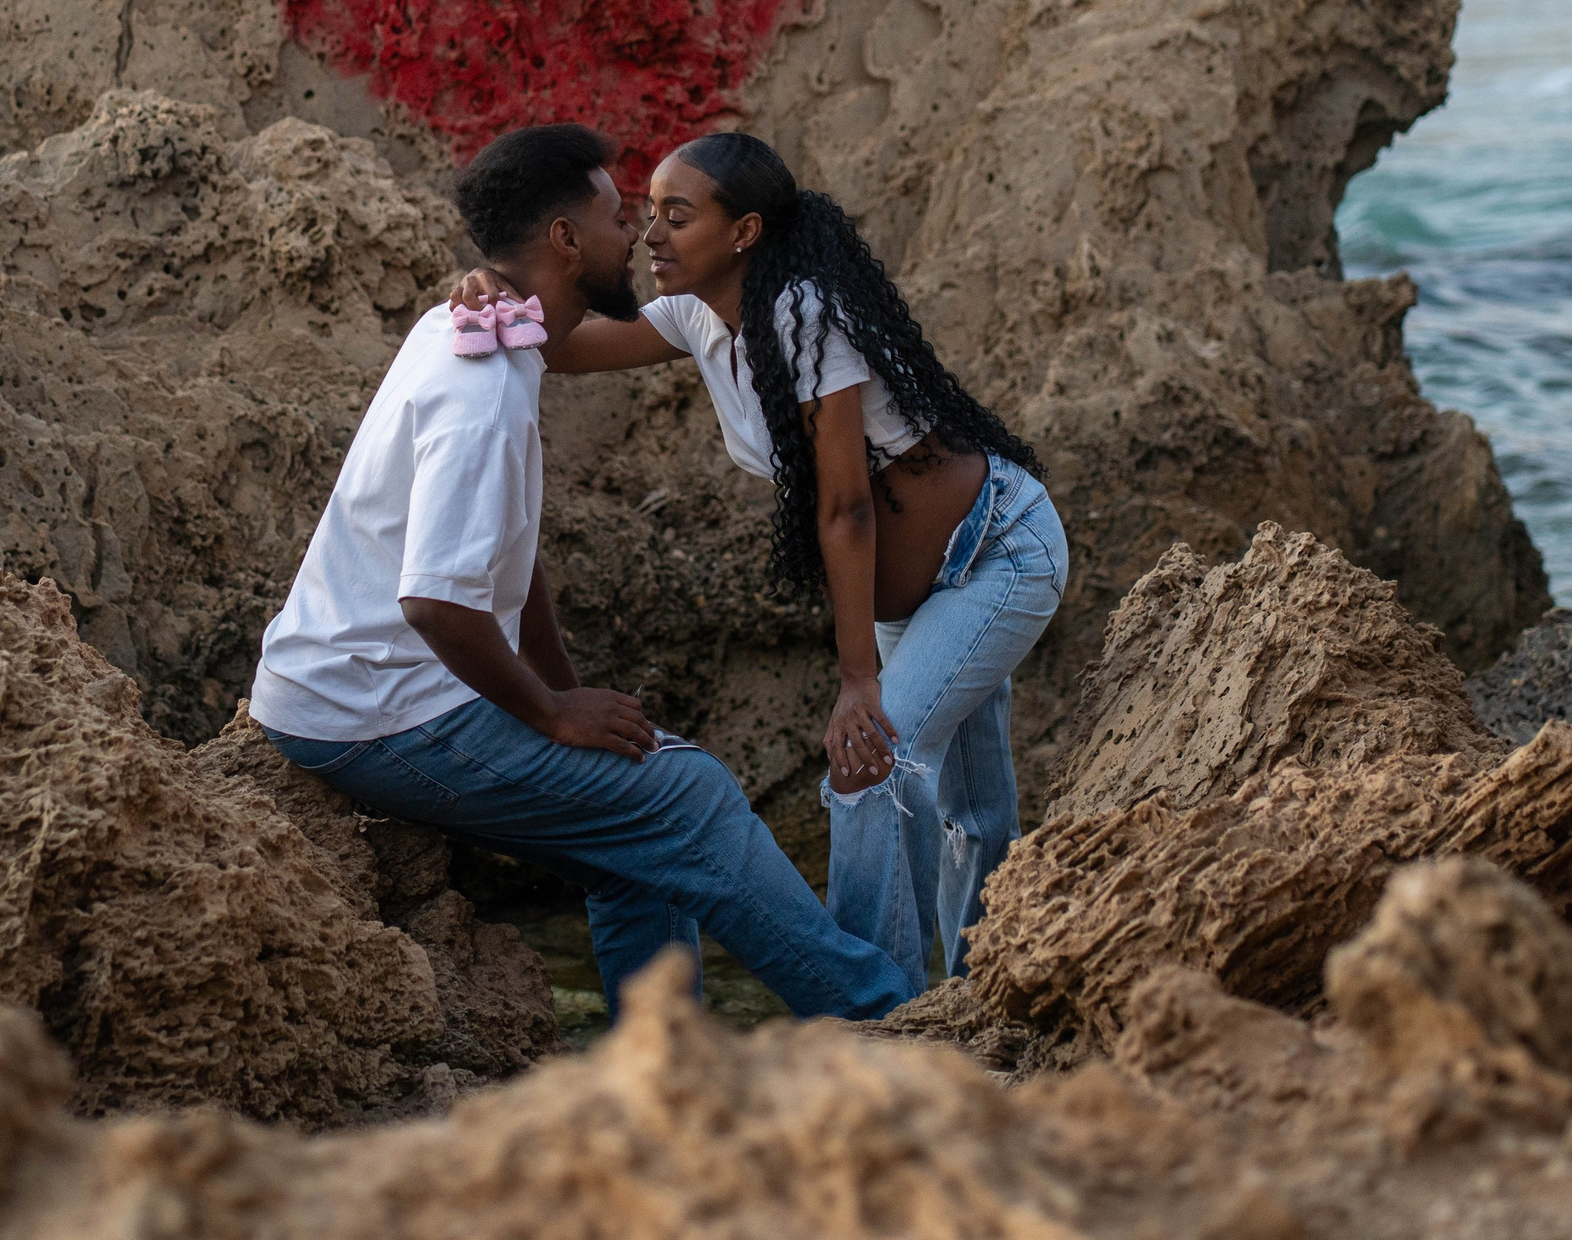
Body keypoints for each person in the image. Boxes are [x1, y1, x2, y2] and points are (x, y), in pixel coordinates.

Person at [249, 123, 914, 1022]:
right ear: (564, 240)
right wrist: (551, 713)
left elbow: (507, 563)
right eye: (614, 217)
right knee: (686, 797)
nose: (634, 236)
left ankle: (659, 1082)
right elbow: (437, 603)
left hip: (368, 694)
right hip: (372, 714)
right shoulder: (481, 391)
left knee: (629, 842)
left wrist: (566, 697)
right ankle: (888, 1025)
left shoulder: (489, 333)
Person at [451, 133, 1066, 994]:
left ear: (742, 232)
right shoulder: (694, 316)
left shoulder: (804, 312)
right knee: (971, 809)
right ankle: (977, 1003)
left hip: (996, 552)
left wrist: (857, 682)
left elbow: (845, 506)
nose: (650, 233)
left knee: (876, 766)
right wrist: (493, 294)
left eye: (677, 215)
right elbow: (554, 346)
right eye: (647, 212)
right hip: (917, 596)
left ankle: (882, 1026)